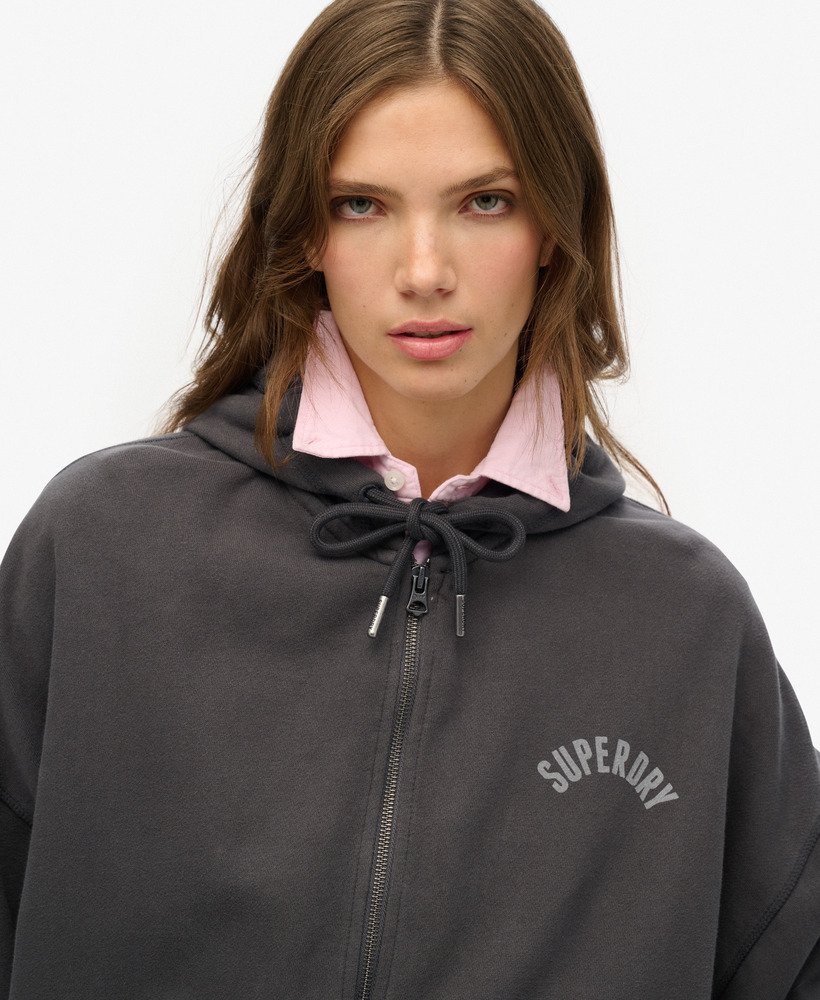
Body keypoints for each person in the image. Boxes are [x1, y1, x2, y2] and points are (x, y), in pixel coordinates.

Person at [1, 0, 818, 996]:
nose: (424, 272)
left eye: (486, 201)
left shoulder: (686, 623)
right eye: (362, 205)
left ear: (555, 226)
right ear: (303, 232)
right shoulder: (101, 550)